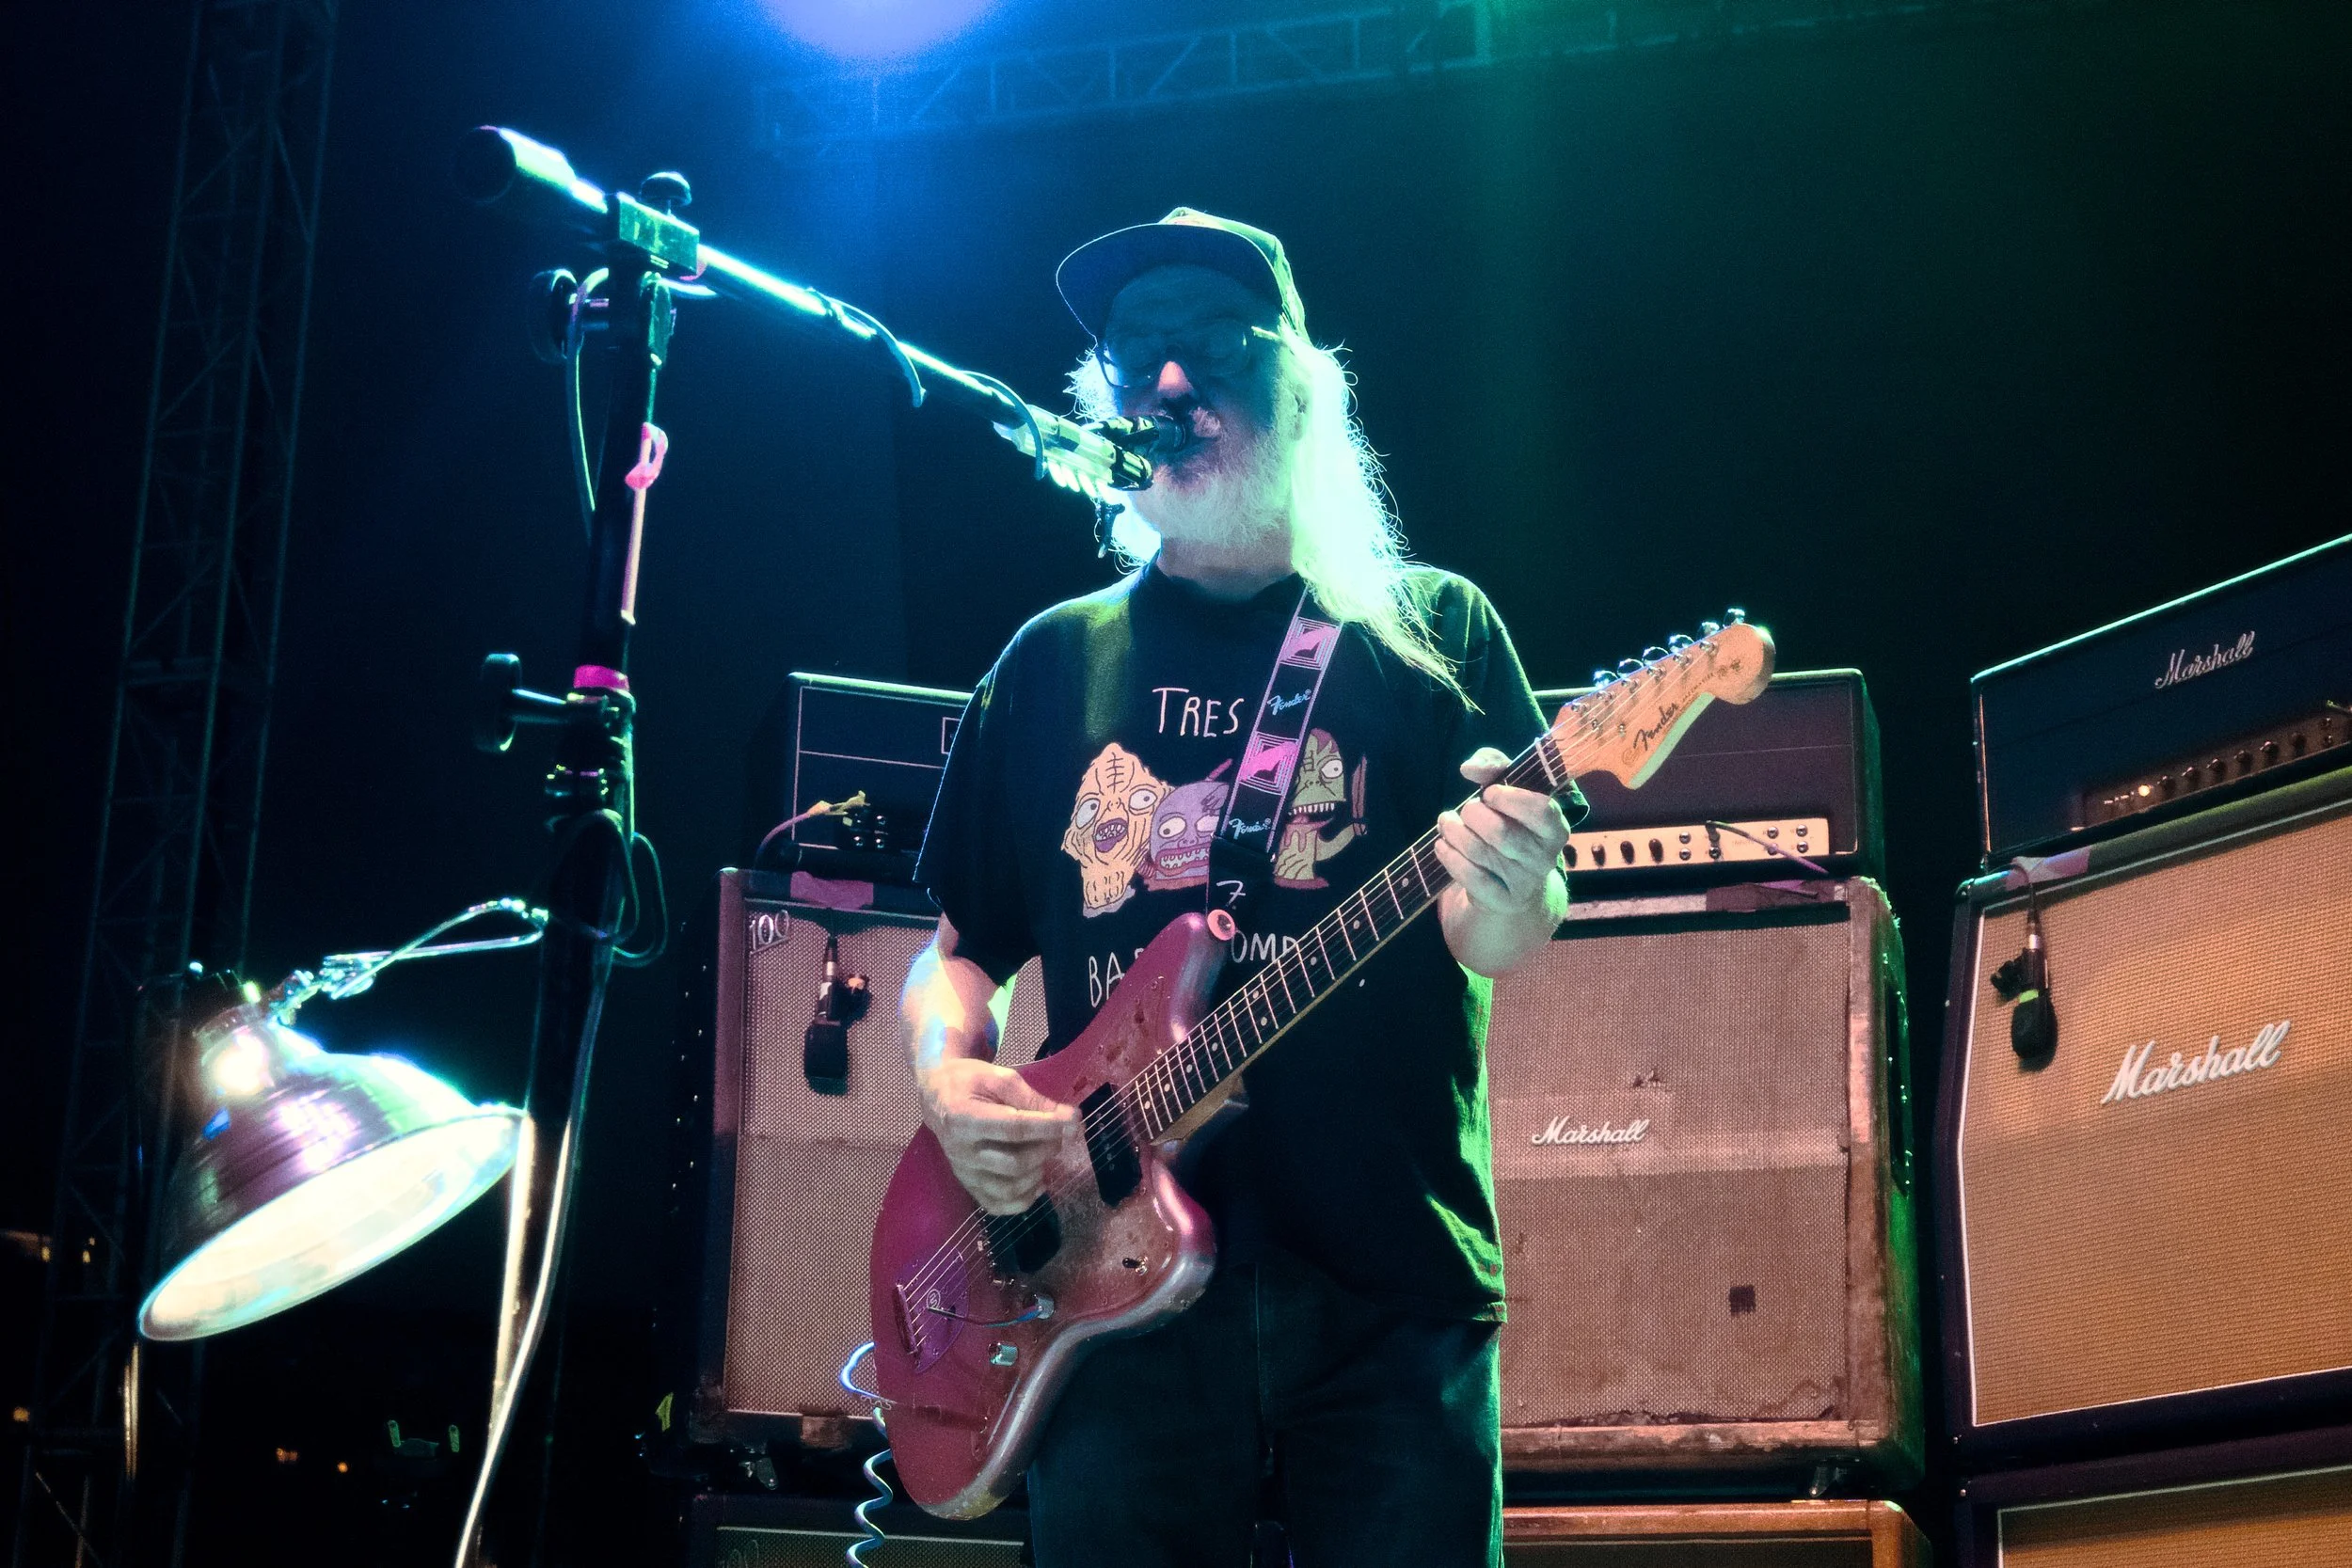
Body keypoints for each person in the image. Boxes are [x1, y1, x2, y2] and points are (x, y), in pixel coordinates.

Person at [901, 209, 1578, 1568]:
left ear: (1301, 390)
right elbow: (959, 954)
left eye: (1212, 351)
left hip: (1386, 1279)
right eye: (1138, 358)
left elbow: (1494, 932)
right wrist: (944, 1072)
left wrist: (1516, 882)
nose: (1167, 388)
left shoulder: (1429, 632)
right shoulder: (1049, 663)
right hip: (1098, 1290)